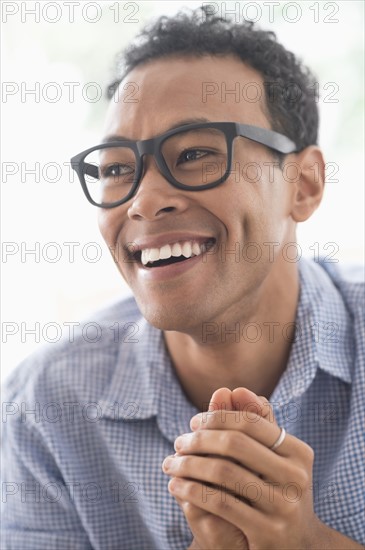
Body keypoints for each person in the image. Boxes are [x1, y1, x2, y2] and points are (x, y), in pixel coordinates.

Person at [2, 6, 364, 549]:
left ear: (305, 184)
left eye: (195, 153)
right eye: (118, 168)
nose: (145, 202)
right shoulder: (47, 407)